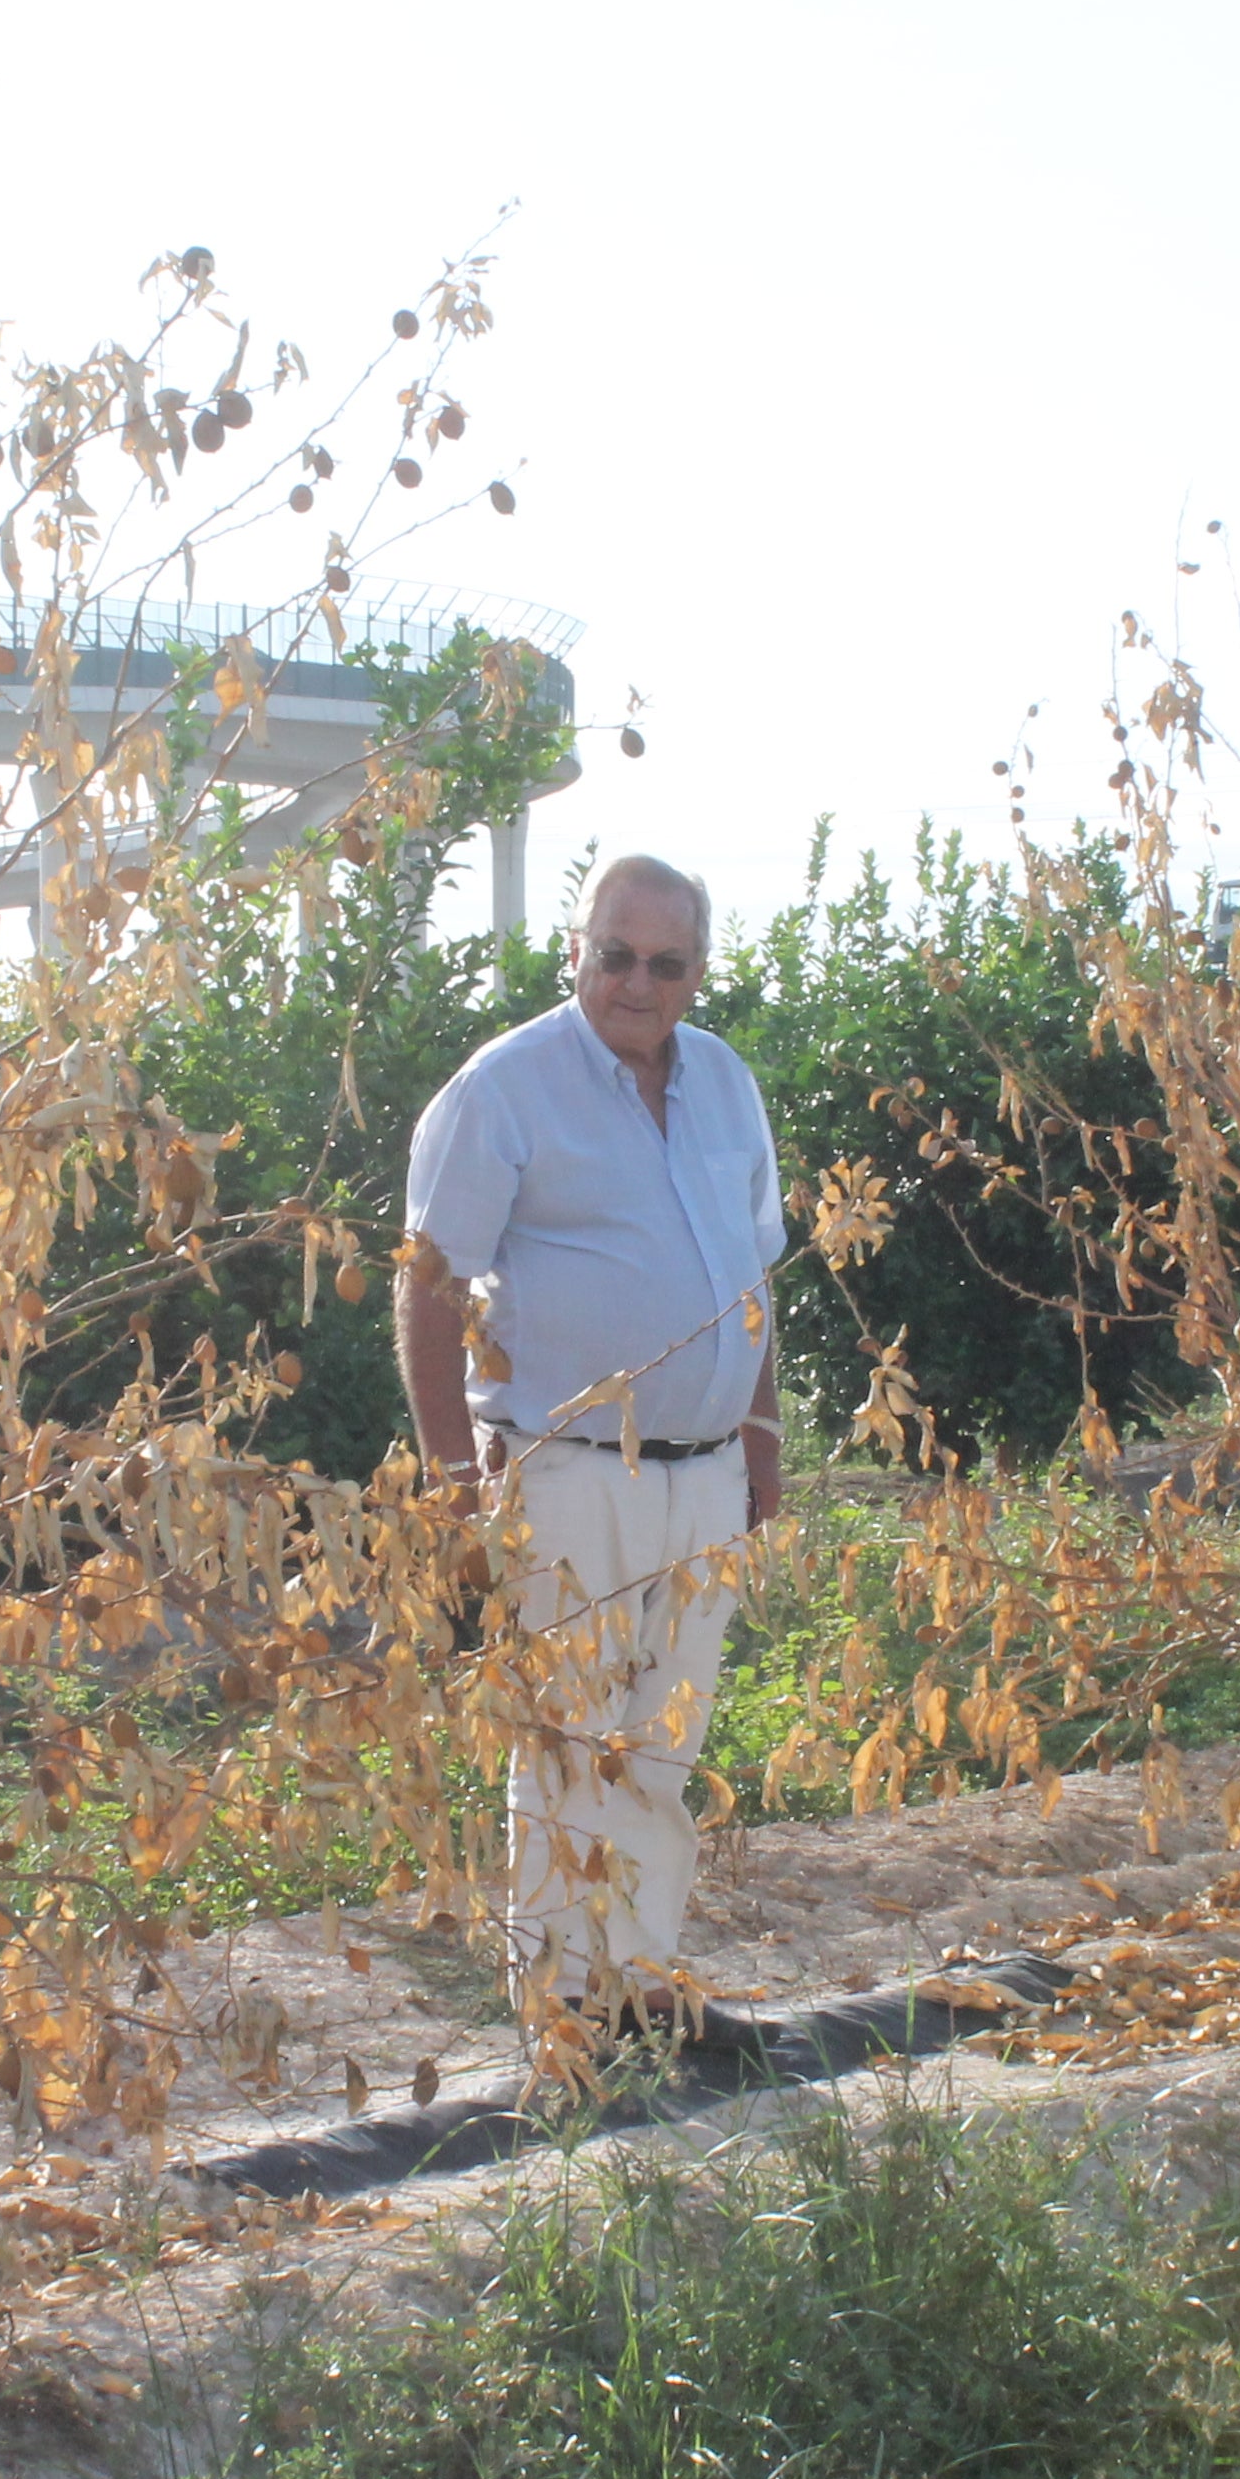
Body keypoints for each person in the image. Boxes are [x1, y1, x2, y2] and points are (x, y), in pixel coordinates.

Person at [399, 853, 788, 2033]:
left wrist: (764, 1442)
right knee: (570, 1743)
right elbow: (428, 1289)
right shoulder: (503, 1088)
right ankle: (565, 2010)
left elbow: (755, 1279)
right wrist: (450, 1484)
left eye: (665, 963)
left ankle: (645, 1985)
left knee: (665, 1743)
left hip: (707, 1473)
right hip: (564, 1471)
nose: (636, 982)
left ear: (697, 974)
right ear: (576, 950)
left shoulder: (724, 1085)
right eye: (614, 954)